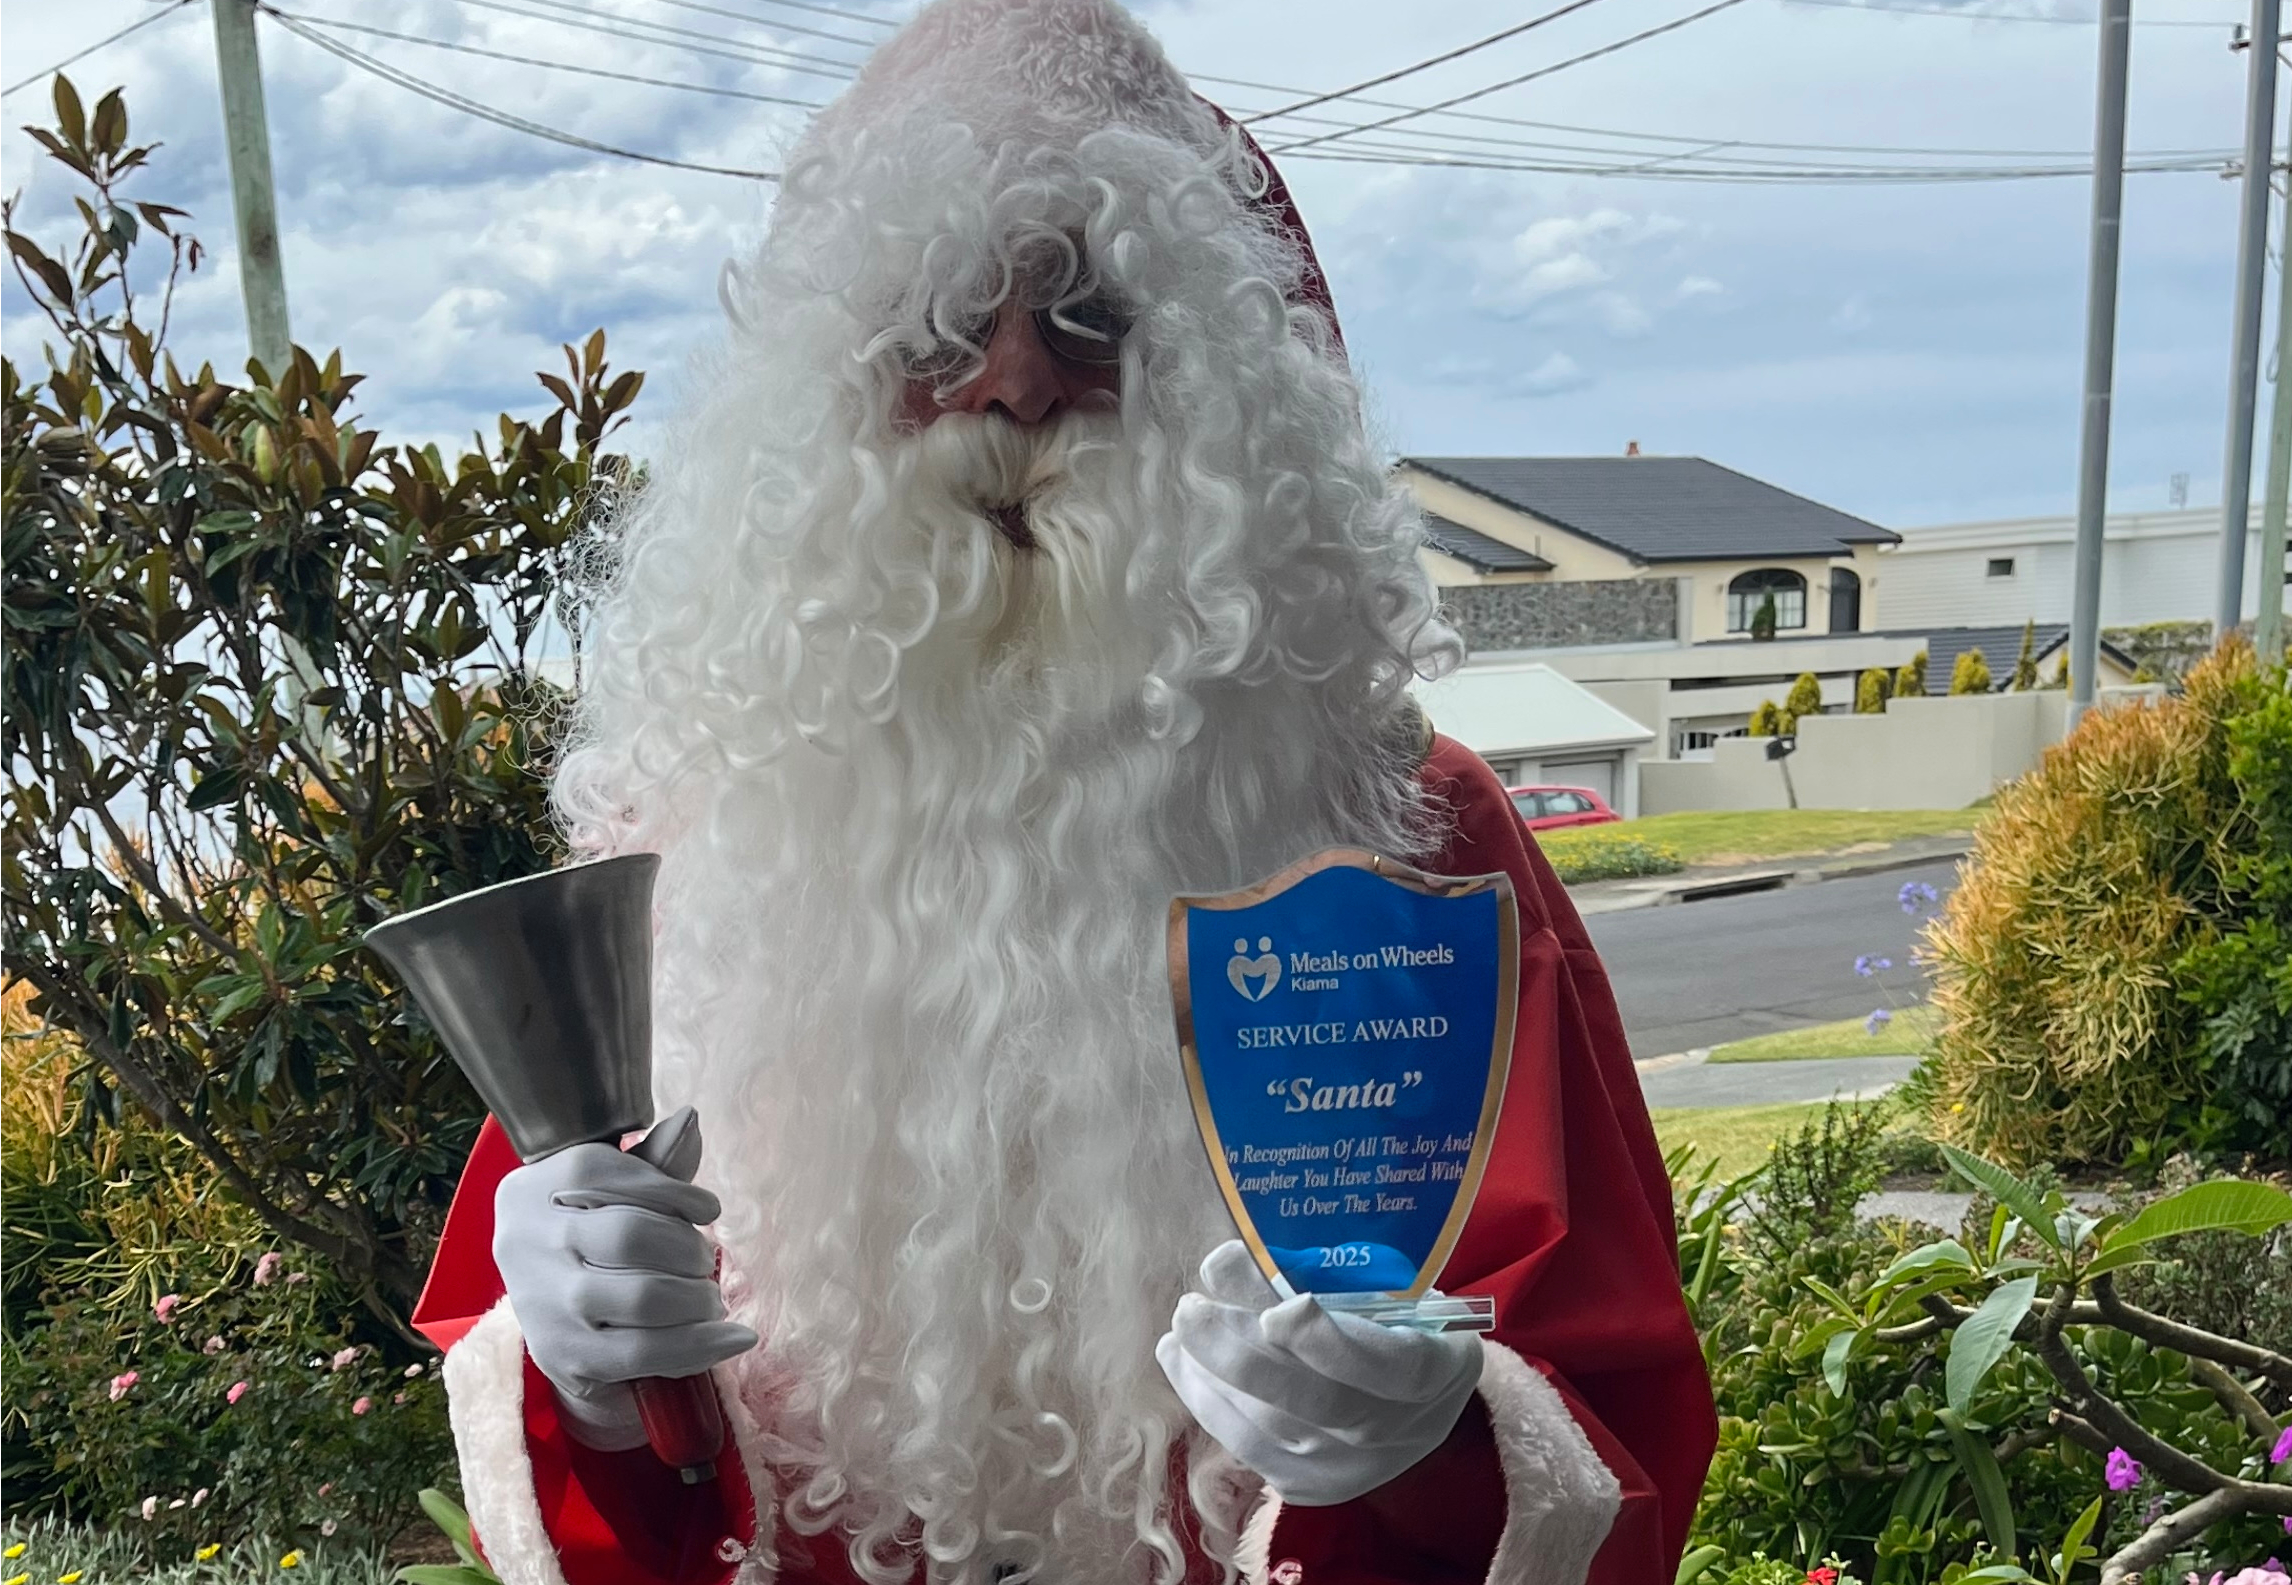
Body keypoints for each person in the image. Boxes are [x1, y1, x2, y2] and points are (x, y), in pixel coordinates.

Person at [408, 1, 1716, 1581]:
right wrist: (577, 1388)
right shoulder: (690, 857)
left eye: (1093, 314)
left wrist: (1432, 1449)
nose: (1017, 380)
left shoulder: (1419, 842)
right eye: (942, 322)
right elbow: (623, 1480)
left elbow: (1602, 1394)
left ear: (1228, 390)